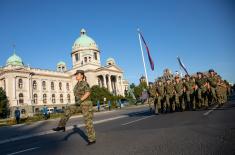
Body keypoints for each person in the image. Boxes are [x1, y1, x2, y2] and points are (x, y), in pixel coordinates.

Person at [53, 70, 96, 145]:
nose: (76, 76)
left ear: (82, 75)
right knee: (68, 109)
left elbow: (88, 92)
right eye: (76, 75)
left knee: (88, 123)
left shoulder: (84, 83)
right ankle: (61, 126)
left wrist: (80, 100)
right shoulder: (77, 84)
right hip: (79, 104)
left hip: (86, 104)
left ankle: (92, 139)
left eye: (77, 75)